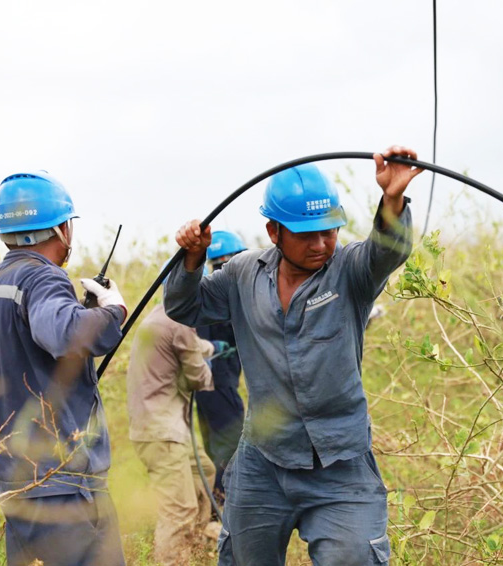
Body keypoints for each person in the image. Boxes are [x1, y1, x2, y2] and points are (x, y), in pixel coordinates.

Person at [165, 146, 422, 566]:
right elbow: (185, 307)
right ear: (273, 231)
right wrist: (191, 260)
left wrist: (392, 200)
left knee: (356, 557)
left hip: (341, 458)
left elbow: (387, 251)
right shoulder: (242, 274)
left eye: (330, 231)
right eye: (306, 234)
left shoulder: (351, 270)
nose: (322, 244)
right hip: (262, 458)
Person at [0, 171, 128, 565]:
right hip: (64, 487)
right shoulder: (42, 277)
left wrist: (84, 314)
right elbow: (64, 334)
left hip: (15, 483)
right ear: (62, 228)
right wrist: (113, 312)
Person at [126, 267, 220, 566]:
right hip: (162, 432)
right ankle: (174, 559)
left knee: (204, 470)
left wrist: (209, 348)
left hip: (158, 428)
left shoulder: (159, 315)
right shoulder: (179, 322)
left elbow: (186, 348)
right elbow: (197, 377)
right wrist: (209, 366)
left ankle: (195, 549)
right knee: (178, 511)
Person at [196, 231, 247, 506]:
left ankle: (214, 505)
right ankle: (223, 505)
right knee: (232, 446)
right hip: (220, 382)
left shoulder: (203, 291)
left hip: (204, 386)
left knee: (213, 447)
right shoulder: (227, 296)